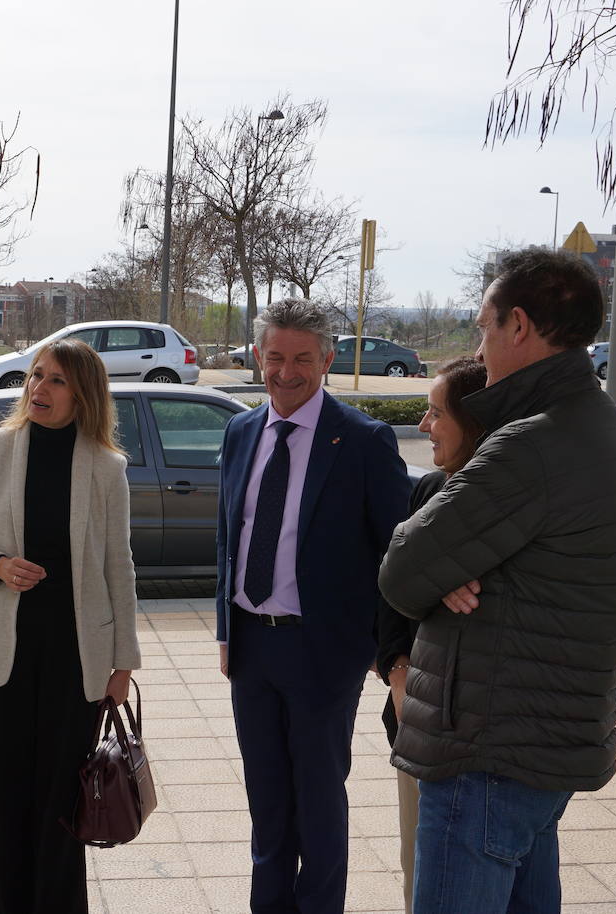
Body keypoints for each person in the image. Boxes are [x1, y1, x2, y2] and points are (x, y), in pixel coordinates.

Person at [379, 249, 616, 914]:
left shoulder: (530, 444)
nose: (480, 347)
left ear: (519, 325)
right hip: (538, 745)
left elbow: (403, 571)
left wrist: (445, 568)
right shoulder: (600, 423)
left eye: (483, 328)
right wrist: (453, 566)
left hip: (488, 754)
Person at [216, 299, 411, 914]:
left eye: (303, 358)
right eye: (275, 357)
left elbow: (396, 549)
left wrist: (386, 647)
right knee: (267, 802)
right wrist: (226, 631)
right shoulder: (240, 431)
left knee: (319, 802)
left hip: (323, 651)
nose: (287, 372)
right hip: (251, 647)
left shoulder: (364, 440)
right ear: (258, 356)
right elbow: (229, 537)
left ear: (327, 360)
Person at [0, 338, 140, 914]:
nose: (38, 388)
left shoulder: (106, 467)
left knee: (61, 805)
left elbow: (119, 567)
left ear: (83, 394)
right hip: (3, 655)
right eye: (35, 376)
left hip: (76, 660)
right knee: (6, 802)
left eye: (55, 380)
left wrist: (122, 663)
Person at [374, 356, 486, 914]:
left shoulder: (510, 503)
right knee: (417, 868)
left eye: (436, 412)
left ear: (473, 420)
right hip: (414, 717)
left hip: (480, 734)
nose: (423, 426)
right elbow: (388, 595)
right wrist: (397, 672)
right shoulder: (428, 491)